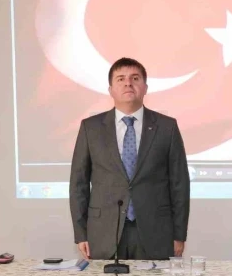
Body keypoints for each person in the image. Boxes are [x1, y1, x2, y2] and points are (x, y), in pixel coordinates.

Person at [70, 57, 190, 260]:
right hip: (103, 231)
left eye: (135, 78)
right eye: (121, 79)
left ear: (145, 88)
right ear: (110, 90)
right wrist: (81, 233)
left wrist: (179, 234)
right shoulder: (91, 128)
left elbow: (180, 184)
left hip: (156, 231)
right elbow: (78, 184)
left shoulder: (167, 127)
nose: (128, 83)